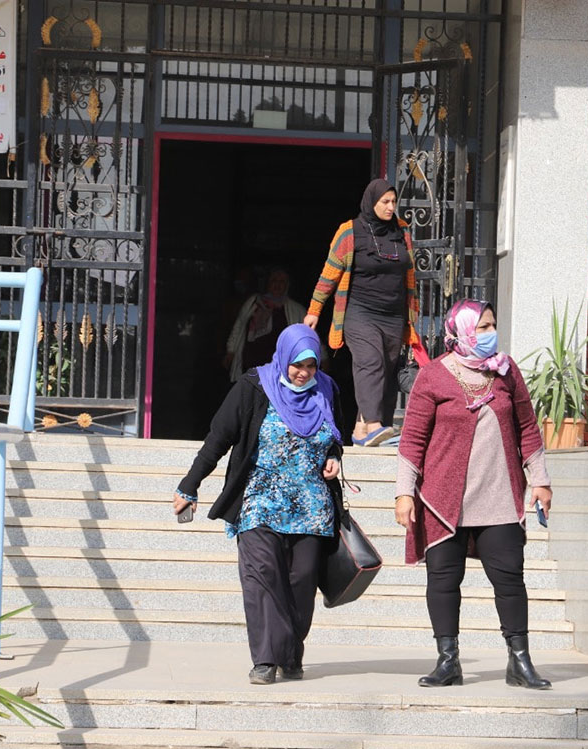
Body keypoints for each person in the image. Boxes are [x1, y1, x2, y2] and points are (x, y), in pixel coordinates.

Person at [394, 299, 554, 690]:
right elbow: (413, 439)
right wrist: (404, 492)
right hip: (443, 499)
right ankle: (448, 661)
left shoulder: (506, 370)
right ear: (461, 330)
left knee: (510, 580)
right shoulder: (432, 376)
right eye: (481, 327)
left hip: (498, 495)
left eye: (492, 326)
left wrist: (541, 480)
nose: (489, 333)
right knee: (444, 580)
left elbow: (528, 427)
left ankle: (520, 661)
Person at [173, 324, 343, 684]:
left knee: (301, 582)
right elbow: (218, 439)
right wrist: (190, 486)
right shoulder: (253, 388)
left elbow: (334, 435)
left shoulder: (326, 390)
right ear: (283, 358)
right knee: (263, 576)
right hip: (260, 500)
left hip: (311, 507)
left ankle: (290, 652)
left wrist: (334, 456)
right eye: (297, 365)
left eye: (311, 366)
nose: (303, 374)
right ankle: (266, 659)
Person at [304, 178, 424, 447]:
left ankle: (361, 429)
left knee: (388, 369)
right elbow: (329, 274)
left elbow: (410, 277)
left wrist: (411, 317)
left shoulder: (401, 231)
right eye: (385, 202)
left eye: (394, 202)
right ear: (372, 202)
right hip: (360, 312)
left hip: (393, 315)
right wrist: (315, 310)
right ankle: (373, 423)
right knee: (371, 361)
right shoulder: (350, 232)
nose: (391, 207)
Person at [224, 268, 306, 382]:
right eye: (274, 281)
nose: (277, 285)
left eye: (281, 282)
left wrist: (322, 357)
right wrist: (231, 351)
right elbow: (239, 326)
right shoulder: (253, 302)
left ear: (287, 285)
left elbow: (307, 335)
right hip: (251, 362)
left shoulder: (296, 310)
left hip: (277, 366)